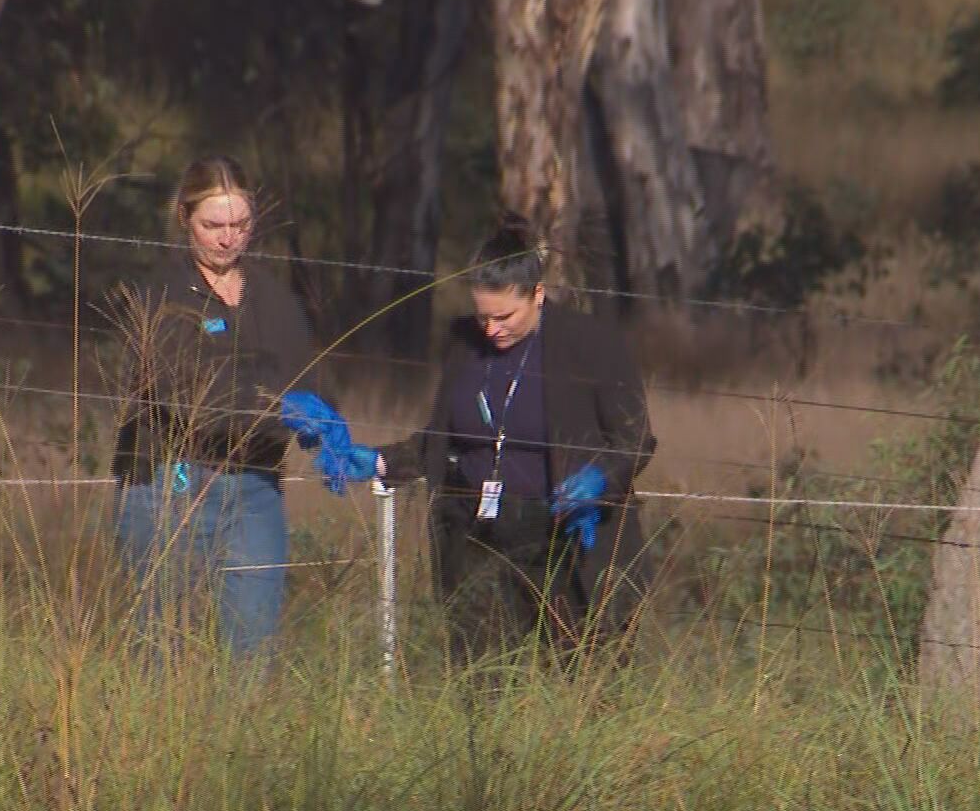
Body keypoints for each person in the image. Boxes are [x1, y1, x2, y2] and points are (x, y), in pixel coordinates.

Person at [369, 221, 657, 670]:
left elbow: (635, 439)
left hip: (567, 537)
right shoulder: (463, 343)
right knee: (481, 678)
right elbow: (446, 437)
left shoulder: (592, 343)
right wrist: (384, 461)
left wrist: (601, 479)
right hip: (478, 539)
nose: (491, 329)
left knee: (590, 677)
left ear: (537, 294)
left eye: (505, 317)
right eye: (483, 316)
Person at [110, 156, 321, 674]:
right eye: (214, 226)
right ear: (185, 219)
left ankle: (239, 747)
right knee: (159, 649)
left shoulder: (274, 298)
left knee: (251, 652)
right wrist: (278, 409)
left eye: (241, 225)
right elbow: (187, 397)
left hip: (255, 486)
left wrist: (326, 426)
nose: (229, 239)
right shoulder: (156, 294)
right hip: (169, 482)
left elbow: (309, 379)